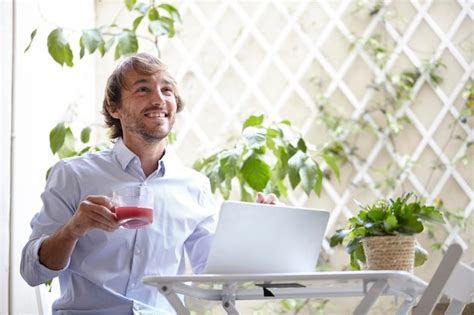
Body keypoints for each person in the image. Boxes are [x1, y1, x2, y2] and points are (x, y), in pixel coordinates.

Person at [20, 52, 279, 314]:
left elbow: (214, 277)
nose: (159, 99)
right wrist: (73, 229)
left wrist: (255, 228)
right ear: (114, 107)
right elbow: (31, 272)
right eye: (143, 89)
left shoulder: (193, 186)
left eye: (167, 90)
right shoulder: (74, 174)